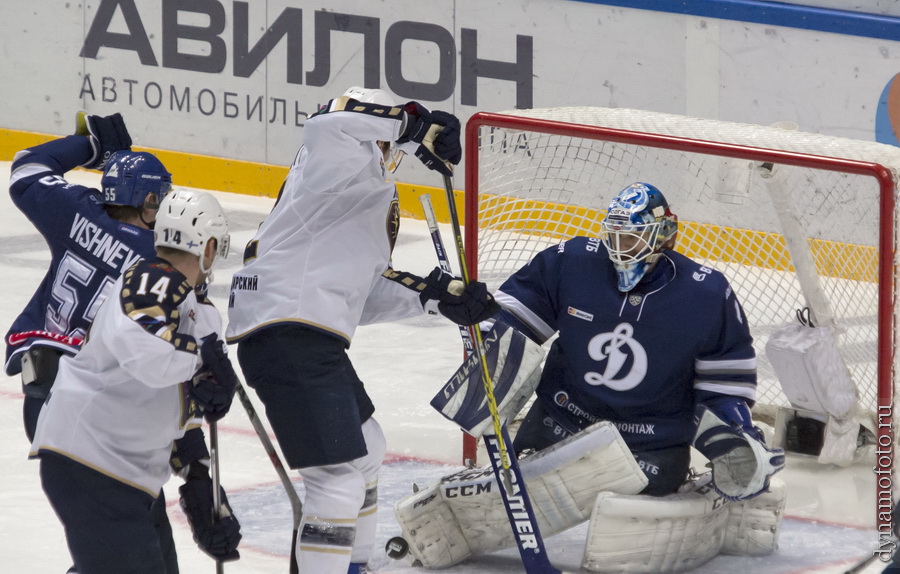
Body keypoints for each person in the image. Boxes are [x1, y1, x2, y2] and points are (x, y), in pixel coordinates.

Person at [226, 86, 498, 574]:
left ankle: (352, 566)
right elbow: (333, 121)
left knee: (367, 449)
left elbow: (361, 292)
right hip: (284, 332)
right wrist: (415, 124)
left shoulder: (365, 196)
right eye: (385, 140)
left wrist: (435, 297)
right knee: (336, 480)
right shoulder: (326, 165)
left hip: (306, 334)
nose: (387, 154)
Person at [5, 112, 210, 573]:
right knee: (125, 542)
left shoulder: (76, 208)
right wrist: (191, 448)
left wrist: (90, 146)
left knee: (117, 541)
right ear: (150, 202)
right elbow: (166, 358)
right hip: (98, 408)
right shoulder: (155, 264)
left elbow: (25, 167)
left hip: (45, 395)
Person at [494, 181, 782, 496]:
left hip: (649, 449)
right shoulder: (571, 261)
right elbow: (512, 324)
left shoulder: (706, 295)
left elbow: (724, 386)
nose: (619, 247)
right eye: (614, 236)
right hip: (557, 426)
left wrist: (734, 435)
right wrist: (479, 317)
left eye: (631, 239)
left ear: (665, 236)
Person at [29, 189, 242, 573]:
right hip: (90, 460)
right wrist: (201, 361)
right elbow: (148, 355)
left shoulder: (196, 309)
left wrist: (198, 481)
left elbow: (181, 404)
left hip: (123, 474)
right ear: (208, 246)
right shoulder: (149, 279)